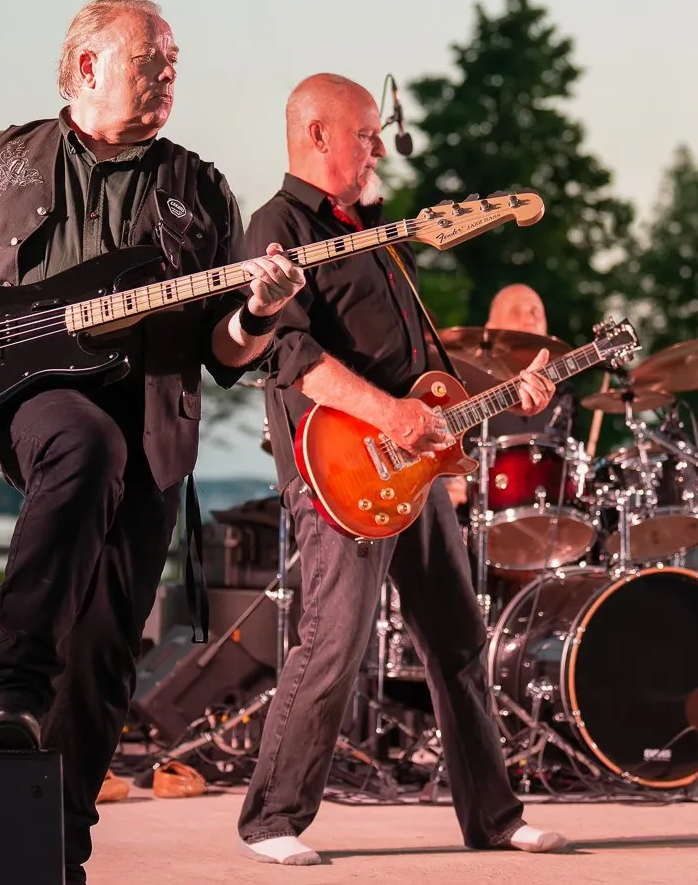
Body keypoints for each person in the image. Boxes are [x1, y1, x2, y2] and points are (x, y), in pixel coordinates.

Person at [0, 0, 305, 884]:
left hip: (155, 426)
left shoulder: (200, 187)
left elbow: (222, 350)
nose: (171, 72)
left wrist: (258, 310)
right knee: (81, 444)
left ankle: (55, 860)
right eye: (153, 58)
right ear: (89, 66)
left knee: (104, 661)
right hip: (20, 394)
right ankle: (13, 690)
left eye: (176, 60)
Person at [235, 72, 568, 866]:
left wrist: (501, 395)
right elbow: (289, 357)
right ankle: (271, 820)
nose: (379, 145)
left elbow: (420, 373)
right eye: (366, 133)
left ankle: (495, 818)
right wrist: (389, 417)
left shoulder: (376, 231)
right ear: (318, 136)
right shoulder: (277, 226)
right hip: (338, 473)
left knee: (458, 639)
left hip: (413, 473)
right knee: (334, 640)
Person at [444, 283, 580, 510]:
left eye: (537, 311)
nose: (530, 317)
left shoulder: (563, 394)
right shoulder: (460, 381)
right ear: (490, 328)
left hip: (545, 518)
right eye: (516, 311)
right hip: (469, 514)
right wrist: (446, 482)